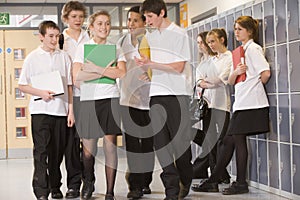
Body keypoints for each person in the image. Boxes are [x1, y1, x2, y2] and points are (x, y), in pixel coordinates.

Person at [192, 16, 271, 195]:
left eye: (240, 29)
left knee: (234, 140)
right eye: (235, 29)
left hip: (251, 103)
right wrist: (236, 73)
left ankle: (238, 182)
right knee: (230, 140)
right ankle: (216, 180)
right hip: (242, 103)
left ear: (250, 31)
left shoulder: (253, 49)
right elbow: (230, 80)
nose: (236, 32)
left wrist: (254, 87)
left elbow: (265, 72)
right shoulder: (241, 50)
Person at [136, 0, 193, 199]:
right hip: (156, 95)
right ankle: (171, 189)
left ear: (161, 13)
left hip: (177, 95)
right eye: (146, 17)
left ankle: (185, 179)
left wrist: (152, 63)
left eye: (150, 17)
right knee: (160, 144)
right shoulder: (151, 36)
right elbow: (156, 66)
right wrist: (146, 67)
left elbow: (178, 67)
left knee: (180, 145)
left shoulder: (179, 34)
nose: (147, 21)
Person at [72, 10, 126, 200]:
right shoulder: (83, 48)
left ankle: (110, 191)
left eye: (107, 23)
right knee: (88, 151)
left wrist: (94, 68)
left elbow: (120, 73)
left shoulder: (116, 48)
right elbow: (78, 77)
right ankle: (88, 182)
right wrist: (105, 71)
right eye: (100, 24)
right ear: (92, 27)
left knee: (110, 147)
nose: (104, 27)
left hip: (110, 99)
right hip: (88, 100)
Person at [18, 20, 74, 200]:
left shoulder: (64, 57)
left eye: (57, 36)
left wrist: (70, 110)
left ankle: (55, 186)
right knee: (41, 152)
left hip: (60, 111)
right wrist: (41, 93)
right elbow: (22, 85)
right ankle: (41, 191)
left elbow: (70, 86)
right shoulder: (32, 58)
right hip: (40, 111)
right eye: (50, 36)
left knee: (56, 153)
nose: (54, 40)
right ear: (41, 37)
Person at [117, 5, 154, 200]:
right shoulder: (122, 42)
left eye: (135, 20)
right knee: (132, 144)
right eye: (129, 20)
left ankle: (145, 181)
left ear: (144, 22)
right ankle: (135, 186)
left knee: (148, 143)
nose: (130, 24)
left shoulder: (152, 41)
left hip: (149, 99)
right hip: (128, 98)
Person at [191, 29, 232, 189]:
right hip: (208, 104)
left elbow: (222, 79)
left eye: (212, 41)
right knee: (210, 141)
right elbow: (199, 80)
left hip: (222, 105)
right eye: (207, 43)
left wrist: (207, 81)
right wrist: (208, 81)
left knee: (222, 141)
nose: (209, 45)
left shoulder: (229, 57)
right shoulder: (211, 60)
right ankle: (216, 178)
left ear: (222, 40)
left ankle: (219, 176)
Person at [60, 1, 90, 198]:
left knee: (88, 144)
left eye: (80, 17)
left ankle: (89, 182)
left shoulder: (91, 37)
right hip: (69, 98)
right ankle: (73, 185)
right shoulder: (60, 39)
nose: (78, 20)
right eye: (74, 17)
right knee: (71, 144)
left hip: (89, 95)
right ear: (66, 18)